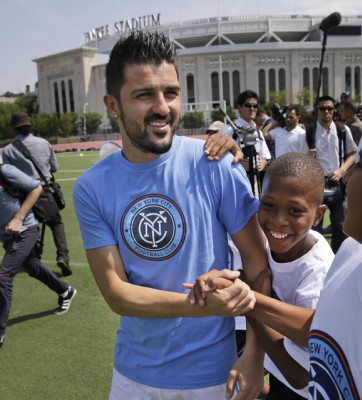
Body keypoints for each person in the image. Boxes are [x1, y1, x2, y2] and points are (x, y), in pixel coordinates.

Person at [73, 30, 268, 400]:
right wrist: (202, 306)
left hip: (213, 376)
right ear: (113, 105)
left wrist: (255, 355)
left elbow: (259, 268)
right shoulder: (91, 186)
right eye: (144, 94)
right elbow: (117, 294)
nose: (163, 107)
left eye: (171, 93)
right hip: (132, 376)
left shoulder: (215, 164)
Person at [194, 90, 362, 399]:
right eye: (269, 206)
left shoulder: (321, 265)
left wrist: (248, 301)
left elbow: (300, 368)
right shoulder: (351, 254)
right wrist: (228, 149)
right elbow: (321, 329)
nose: (345, 179)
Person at [189, 152, 334, 399]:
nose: (278, 220)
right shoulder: (266, 243)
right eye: (268, 205)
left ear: (318, 215)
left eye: (295, 210)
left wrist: (249, 301)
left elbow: (298, 375)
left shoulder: (316, 270)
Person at [0, 163, 76, 348]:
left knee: (3, 276)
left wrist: (18, 219)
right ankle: (65, 291)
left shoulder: (5, 171)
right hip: (7, 235)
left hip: (25, 229)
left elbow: (36, 188)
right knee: (32, 267)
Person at [2, 112, 72, 276]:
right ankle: (63, 256)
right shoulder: (44, 143)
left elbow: (6, 173)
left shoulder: (9, 150)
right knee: (56, 223)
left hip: (23, 195)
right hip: (45, 192)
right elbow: (54, 168)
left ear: (14, 129)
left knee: (29, 227)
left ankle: (33, 258)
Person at [307, 95, 357, 253]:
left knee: (340, 226)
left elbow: (353, 154)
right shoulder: (309, 132)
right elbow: (300, 159)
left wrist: (342, 170)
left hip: (337, 182)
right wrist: (308, 156)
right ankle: (319, 256)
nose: (326, 112)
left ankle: (338, 257)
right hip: (317, 183)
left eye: (329, 108)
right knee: (315, 226)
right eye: (322, 108)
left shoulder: (342, 129)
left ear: (334, 110)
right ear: (317, 111)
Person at [222, 90, 272, 195]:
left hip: (256, 185)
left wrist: (263, 164)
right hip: (234, 185)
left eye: (255, 106)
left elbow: (267, 159)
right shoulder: (229, 130)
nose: (252, 109)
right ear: (239, 107)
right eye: (248, 105)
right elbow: (220, 159)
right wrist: (236, 164)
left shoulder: (258, 132)